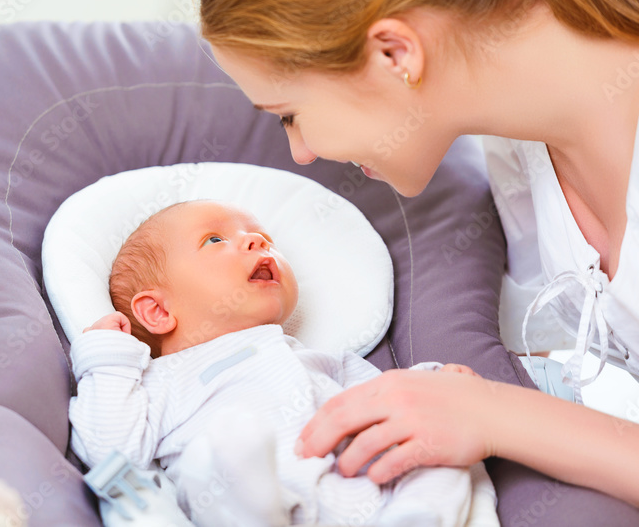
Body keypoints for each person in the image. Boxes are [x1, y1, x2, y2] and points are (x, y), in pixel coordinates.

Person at [194, 0, 639, 525]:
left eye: (290, 113)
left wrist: (493, 415)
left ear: (395, 54)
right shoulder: (517, 138)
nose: (301, 151)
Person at [68, 199, 499, 526]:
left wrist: (435, 384)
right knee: (220, 466)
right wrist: (108, 358)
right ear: (159, 312)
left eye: (263, 238)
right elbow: (112, 452)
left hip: (363, 501)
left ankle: (422, 514)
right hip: (249, 502)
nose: (257, 241)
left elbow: (392, 403)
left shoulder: (321, 358)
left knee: (448, 450)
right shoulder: (157, 382)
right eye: (215, 240)